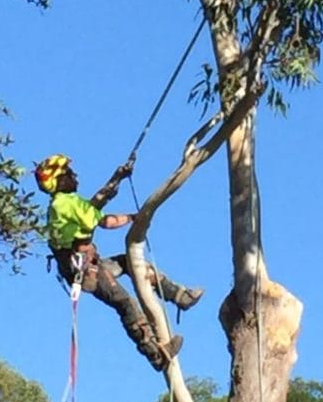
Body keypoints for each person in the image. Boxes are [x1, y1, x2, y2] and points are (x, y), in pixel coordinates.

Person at [34, 154, 203, 369]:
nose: (74, 176)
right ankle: (155, 354)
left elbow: (96, 202)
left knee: (130, 261)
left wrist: (118, 177)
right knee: (125, 303)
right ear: (60, 180)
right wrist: (134, 218)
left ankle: (177, 294)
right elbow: (104, 221)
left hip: (87, 266)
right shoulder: (66, 204)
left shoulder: (62, 205)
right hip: (86, 270)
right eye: (68, 173)